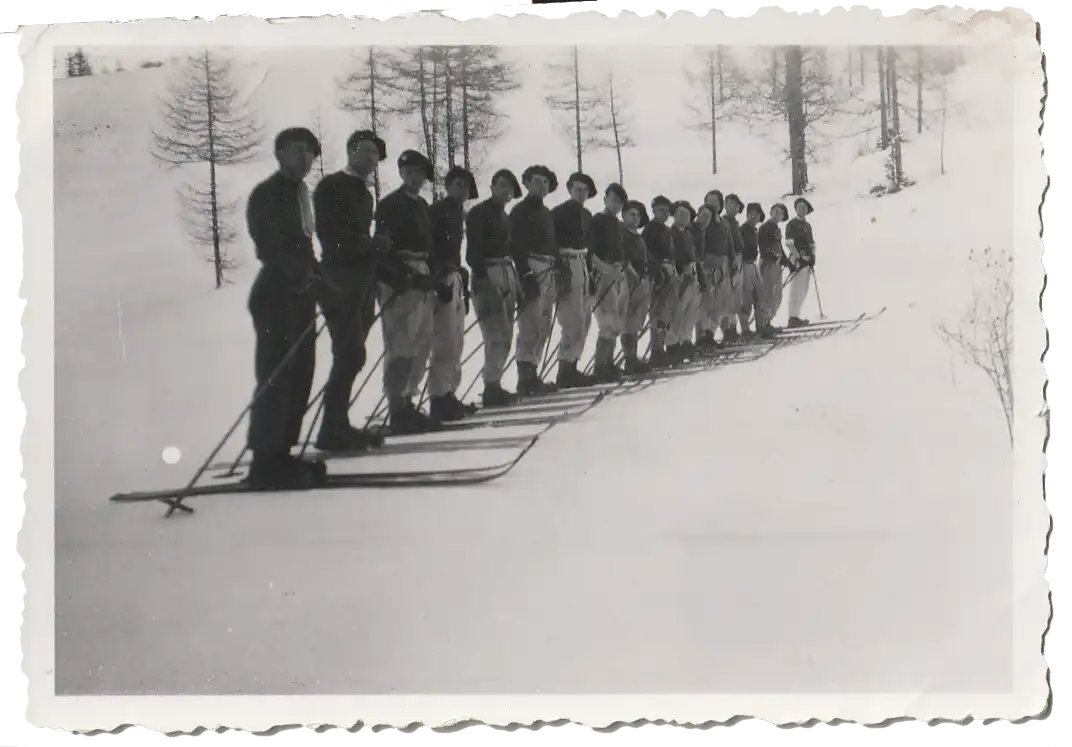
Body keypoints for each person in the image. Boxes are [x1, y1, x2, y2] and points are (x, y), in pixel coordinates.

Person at [244, 127, 337, 490]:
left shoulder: (300, 194)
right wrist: (303, 275)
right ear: (280, 153)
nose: (304, 159)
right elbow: (269, 247)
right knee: (277, 374)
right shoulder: (266, 193)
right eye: (297, 150)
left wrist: (323, 283)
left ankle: (282, 452)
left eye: (309, 153)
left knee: (301, 374)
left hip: (300, 294)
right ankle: (264, 461)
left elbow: (304, 247)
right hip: (276, 293)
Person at [312, 129, 389, 453]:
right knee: (349, 353)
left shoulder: (365, 194)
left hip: (363, 280)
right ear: (351, 150)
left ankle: (337, 424)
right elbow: (330, 235)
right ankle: (332, 428)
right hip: (339, 278)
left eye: (375, 154)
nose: (371, 159)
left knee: (352, 354)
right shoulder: (331, 186)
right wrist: (369, 245)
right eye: (366, 151)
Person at [373, 150, 442, 433]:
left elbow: (430, 244)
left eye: (419, 173)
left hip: (423, 274)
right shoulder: (389, 205)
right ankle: (396, 406)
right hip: (400, 277)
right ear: (401, 173)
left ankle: (409, 400)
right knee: (400, 341)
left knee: (422, 340)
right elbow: (384, 248)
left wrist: (432, 275)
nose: (414, 177)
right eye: (409, 172)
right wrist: (404, 276)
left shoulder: (423, 206)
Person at [422, 165, 479, 422]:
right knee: (444, 340)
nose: (462, 190)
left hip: (454, 275)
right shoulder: (437, 211)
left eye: (466, 186)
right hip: (441, 277)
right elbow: (428, 245)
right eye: (457, 184)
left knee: (456, 340)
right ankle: (438, 397)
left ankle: (448, 393)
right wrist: (436, 276)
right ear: (447, 186)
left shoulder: (458, 214)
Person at [466, 169, 524, 407]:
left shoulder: (505, 217)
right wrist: (484, 282)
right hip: (487, 273)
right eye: (501, 185)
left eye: (510, 187)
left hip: (506, 271)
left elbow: (510, 250)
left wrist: (517, 284)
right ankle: (490, 386)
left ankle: (495, 383)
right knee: (495, 333)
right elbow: (473, 253)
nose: (506, 190)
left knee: (506, 333)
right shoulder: (479, 213)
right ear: (491, 187)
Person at [509, 164, 560, 396]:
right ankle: (524, 379)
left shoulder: (546, 213)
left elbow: (552, 243)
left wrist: (559, 266)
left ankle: (533, 373)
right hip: (531, 266)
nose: (542, 186)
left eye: (546, 182)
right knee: (529, 324)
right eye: (537, 181)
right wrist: (525, 273)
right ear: (528, 183)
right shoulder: (519, 211)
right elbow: (514, 244)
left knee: (543, 323)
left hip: (548, 267)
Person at [550, 172, 598, 389]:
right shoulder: (558, 213)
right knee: (572, 320)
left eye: (585, 190)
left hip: (582, 265)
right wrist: (559, 270)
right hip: (566, 262)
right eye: (578, 189)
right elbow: (551, 244)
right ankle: (564, 370)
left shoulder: (587, 215)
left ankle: (572, 365)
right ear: (570, 189)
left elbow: (589, 246)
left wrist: (591, 273)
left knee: (585, 320)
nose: (581, 193)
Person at [588, 182, 629, 383]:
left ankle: (609, 363)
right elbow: (590, 252)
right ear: (605, 199)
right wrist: (605, 270)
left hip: (617, 274)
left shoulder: (619, 225)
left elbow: (621, 251)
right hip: (602, 273)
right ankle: (600, 366)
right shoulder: (597, 221)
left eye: (620, 202)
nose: (616, 205)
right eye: (613, 200)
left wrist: (620, 268)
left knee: (616, 321)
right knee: (606, 321)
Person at [641, 195, 678, 368]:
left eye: (667, 211)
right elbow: (646, 254)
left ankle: (662, 348)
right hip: (658, 275)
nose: (665, 214)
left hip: (669, 272)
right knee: (656, 314)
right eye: (661, 210)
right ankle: (656, 351)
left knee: (666, 313)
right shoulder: (649, 230)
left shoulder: (667, 230)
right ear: (654, 210)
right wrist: (656, 270)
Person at [620, 200, 653, 375]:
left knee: (637, 320)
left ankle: (633, 356)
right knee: (629, 319)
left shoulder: (639, 238)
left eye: (638, 215)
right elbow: (623, 258)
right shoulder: (622, 235)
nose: (635, 218)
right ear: (623, 215)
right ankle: (629, 358)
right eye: (631, 214)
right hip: (629, 279)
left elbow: (646, 258)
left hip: (643, 280)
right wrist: (633, 275)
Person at [667, 200, 700, 365]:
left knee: (690, 311)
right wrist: (680, 271)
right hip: (680, 277)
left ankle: (686, 342)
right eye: (680, 213)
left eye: (687, 214)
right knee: (677, 313)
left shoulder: (687, 234)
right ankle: (673, 346)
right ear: (674, 215)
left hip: (692, 276)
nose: (684, 217)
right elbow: (671, 255)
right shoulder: (670, 233)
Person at [756, 202, 790, 337]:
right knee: (767, 294)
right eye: (775, 211)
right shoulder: (765, 228)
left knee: (776, 295)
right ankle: (762, 324)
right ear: (770, 212)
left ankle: (768, 322)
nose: (777, 214)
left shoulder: (776, 229)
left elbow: (779, 246)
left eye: (780, 213)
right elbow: (762, 246)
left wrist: (786, 261)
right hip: (767, 264)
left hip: (776, 265)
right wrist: (771, 255)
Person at [693, 200, 722, 354]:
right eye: (703, 215)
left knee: (708, 305)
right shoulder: (693, 230)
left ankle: (705, 337)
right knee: (699, 307)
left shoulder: (708, 232)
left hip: (708, 273)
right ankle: (699, 339)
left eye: (708, 217)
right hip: (696, 272)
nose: (705, 219)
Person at [736, 201, 767, 340]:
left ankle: (761, 327)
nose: (754, 217)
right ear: (747, 215)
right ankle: (745, 329)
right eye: (752, 214)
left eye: (757, 215)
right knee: (746, 298)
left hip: (753, 265)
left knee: (760, 296)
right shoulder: (741, 229)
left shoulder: (755, 230)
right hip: (744, 265)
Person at [784, 197, 817, 328]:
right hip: (798, 259)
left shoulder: (807, 225)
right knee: (796, 289)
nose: (802, 210)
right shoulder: (792, 224)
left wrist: (813, 256)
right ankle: (792, 317)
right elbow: (789, 243)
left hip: (807, 260)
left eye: (804, 208)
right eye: (800, 207)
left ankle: (796, 316)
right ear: (796, 209)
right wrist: (798, 258)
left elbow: (811, 243)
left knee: (804, 289)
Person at [720, 193, 746, 343]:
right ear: (725, 205)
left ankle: (733, 328)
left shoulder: (735, 223)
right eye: (731, 204)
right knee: (727, 297)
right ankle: (727, 331)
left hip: (738, 259)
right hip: (728, 260)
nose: (734, 207)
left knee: (736, 298)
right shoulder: (723, 222)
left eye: (736, 205)